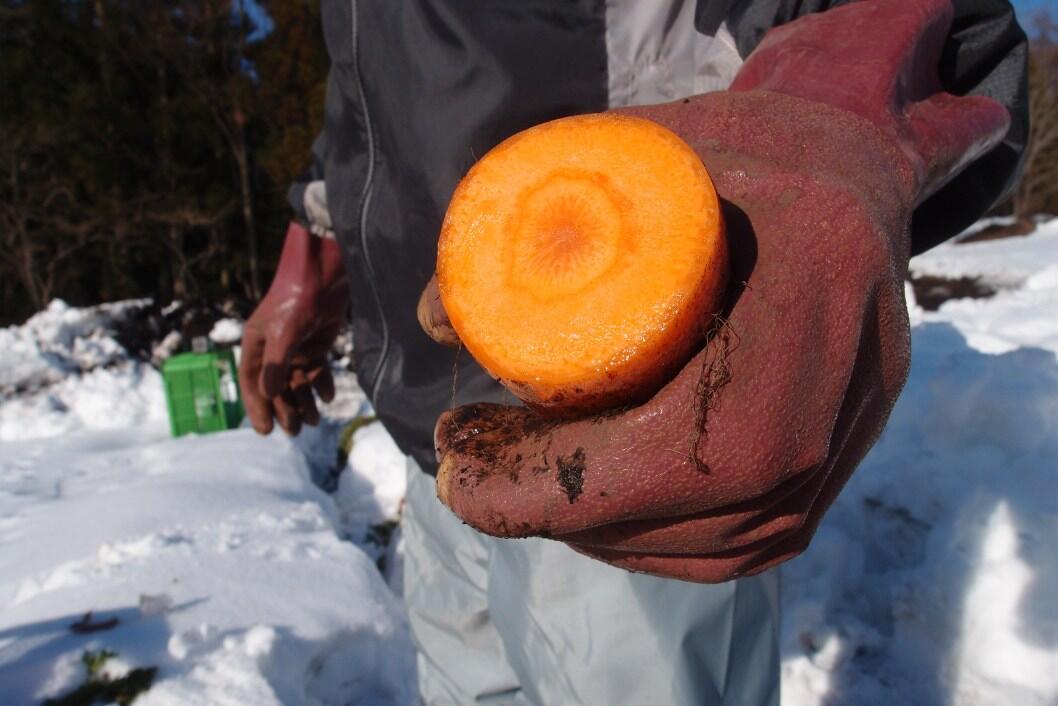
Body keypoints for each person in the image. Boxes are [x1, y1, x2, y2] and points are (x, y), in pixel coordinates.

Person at [239, 1, 1028, 703]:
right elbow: (368, 79)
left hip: (648, 422)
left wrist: (838, 100)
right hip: (427, 409)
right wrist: (316, 247)